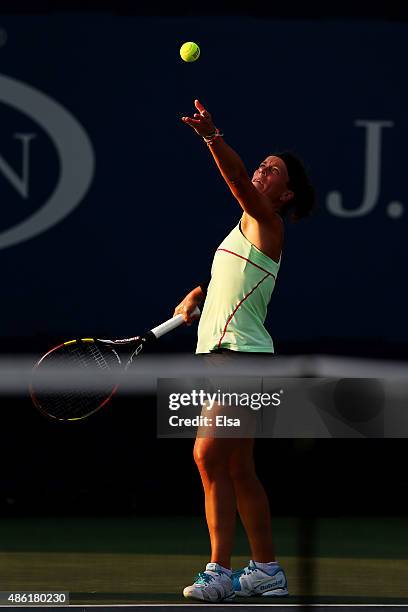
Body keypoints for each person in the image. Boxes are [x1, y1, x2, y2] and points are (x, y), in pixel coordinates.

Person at [173, 99, 315, 602]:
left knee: (207, 457)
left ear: (285, 194)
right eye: (260, 164)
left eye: (271, 171)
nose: (260, 171)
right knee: (238, 468)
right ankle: (266, 570)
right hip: (231, 358)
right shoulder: (243, 232)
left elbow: (234, 180)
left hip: (242, 361)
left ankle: (217, 571)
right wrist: (199, 296)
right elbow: (233, 287)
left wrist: (213, 136)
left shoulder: (266, 223)